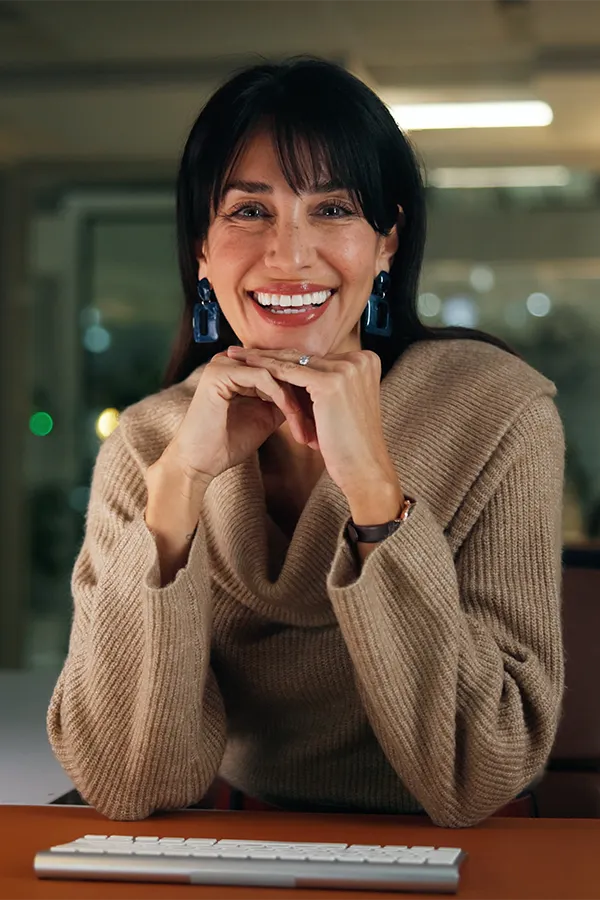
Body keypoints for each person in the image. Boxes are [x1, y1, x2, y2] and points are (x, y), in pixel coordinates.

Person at [47, 57, 565, 827]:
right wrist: (177, 490)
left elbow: (478, 771)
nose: (289, 256)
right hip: (235, 839)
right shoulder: (151, 440)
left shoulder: (497, 411)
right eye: (249, 213)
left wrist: (374, 495)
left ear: (387, 242)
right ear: (200, 247)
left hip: (459, 850)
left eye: (332, 210)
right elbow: (129, 782)